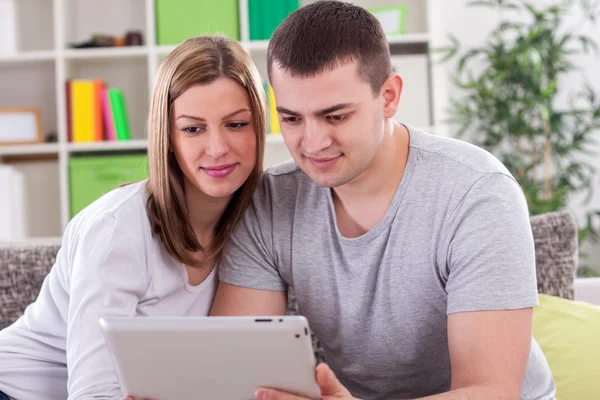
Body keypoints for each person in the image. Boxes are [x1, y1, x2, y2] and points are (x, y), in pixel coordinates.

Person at [210, 2, 557, 399]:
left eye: (336, 116)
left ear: (389, 96)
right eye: (291, 119)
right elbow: (236, 370)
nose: (313, 143)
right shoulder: (269, 202)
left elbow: (491, 392)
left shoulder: (477, 193)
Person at [0, 35, 267, 400]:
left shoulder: (259, 223)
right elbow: (92, 394)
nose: (218, 148)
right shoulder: (117, 229)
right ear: (168, 136)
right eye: (193, 128)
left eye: (236, 124)